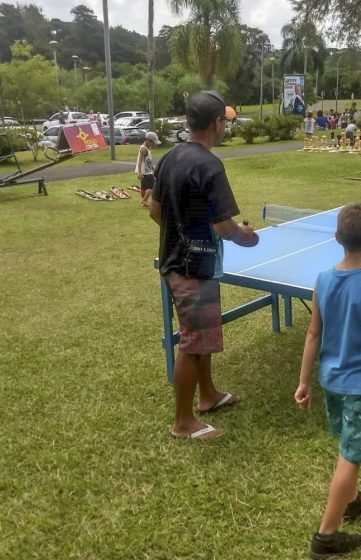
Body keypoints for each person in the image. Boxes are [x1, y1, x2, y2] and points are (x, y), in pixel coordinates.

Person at [149, 90, 259, 440]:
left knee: (204, 335)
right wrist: (247, 236)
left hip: (179, 260)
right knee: (193, 342)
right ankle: (182, 423)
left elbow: (155, 211)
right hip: (192, 268)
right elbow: (226, 228)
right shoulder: (210, 165)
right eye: (225, 120)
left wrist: (184, 233)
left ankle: (208, 396)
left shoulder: (168, 158)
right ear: (217, 123)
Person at [295, 202, 361, 560]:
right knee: (350, 455)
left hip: (330, 382)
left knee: (347, 444)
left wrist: (303, 381)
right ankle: (326, 538)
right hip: (359, 387)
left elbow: (312, 334)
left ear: (337, 238)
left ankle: (352, 501)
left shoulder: (321, 280)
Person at [136, 131, 161, 208]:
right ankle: (144, 200)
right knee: (153, 187)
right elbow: (140, 161)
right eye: (153, 143)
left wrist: (154, 169)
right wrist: (139, 172)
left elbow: (149, 161)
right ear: (149, 141)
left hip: (146, 172)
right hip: (146, 173)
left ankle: (144, 202)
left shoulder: (146, 148)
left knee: (143, 188)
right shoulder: (144, 149)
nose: (154, 145)